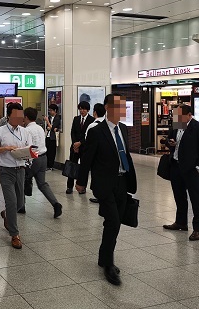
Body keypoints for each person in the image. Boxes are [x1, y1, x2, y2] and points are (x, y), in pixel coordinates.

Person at [76, 94, 137, 286]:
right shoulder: (96, 131)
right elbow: (87, 158)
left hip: (122, 182)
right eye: (118, 107)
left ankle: (104, 257)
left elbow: (125, 154)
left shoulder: (124, 129)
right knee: (113, 220)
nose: (122, 110)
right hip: (104, 183)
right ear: (107, 108)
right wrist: (81, 181)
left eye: (123, 107)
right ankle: (109, 264)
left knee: (115, 222)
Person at [0, 103, 32, 249]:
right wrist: (6, 148)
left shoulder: (25, 132)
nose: (19, 119)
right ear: (9, 116)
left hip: (21, 169)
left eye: (21, 116)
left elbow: (30, 149)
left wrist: (28, 154)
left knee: (20, 203)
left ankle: (6, 213)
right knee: (12, 201)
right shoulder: (0, 131)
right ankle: (15, 235)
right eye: (16, 116)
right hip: (6, 170)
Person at [162, 104, 199, 241]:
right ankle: (181, 222)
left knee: (196, 198)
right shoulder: (177, 126)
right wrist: (169, 143)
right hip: (176, 166)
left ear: (189, 115)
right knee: (179, 196)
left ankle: (198, 229)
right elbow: (168, 141)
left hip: (191, 169)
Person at [23, 107, 62, 218]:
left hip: (33, 159)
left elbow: (28, 147)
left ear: (26, 117)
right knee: (42, 184)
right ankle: (56, 204)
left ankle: (21, 206)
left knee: (21, 180)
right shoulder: (40, 128)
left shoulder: (27, 130)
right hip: (43, 158)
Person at [67, 101, 94, 194]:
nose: (82, 111)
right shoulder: (76, 119)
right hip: (74, 147)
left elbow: (90, 135)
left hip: (84, 148)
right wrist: (75, 144)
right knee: (72, 166)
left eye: (84, 109)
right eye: (80, 109)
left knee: (84, 168)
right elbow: (72, 132)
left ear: (88, 110)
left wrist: (80, 143)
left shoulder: (92, 120)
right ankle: (69, 187)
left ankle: (82, 187)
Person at [84, 103, 106, 204]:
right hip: (105, 156)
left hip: (95, 156)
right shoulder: (107, 125)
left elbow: (87, 140)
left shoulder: (92, 126)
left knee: (96, 176)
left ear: (95, 112)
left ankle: (98, 195)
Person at [44, 104, 61, 170]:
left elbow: (54, 128)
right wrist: (49, 127)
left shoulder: (57, 118)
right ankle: (47, 165)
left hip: (53, 137)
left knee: (52, 152)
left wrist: (48, 122)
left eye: (51, 110)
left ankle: (50, 165)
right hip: (48, 136)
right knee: (47, 151)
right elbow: (49, 127)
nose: (50, 112)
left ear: (55, 110)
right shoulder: (50, 117)